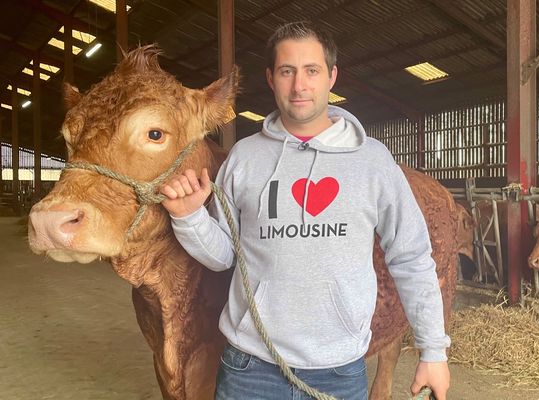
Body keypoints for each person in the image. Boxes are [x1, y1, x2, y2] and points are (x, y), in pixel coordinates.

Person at [160, 21, 450, 400]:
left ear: (331, 76)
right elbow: (223, 257)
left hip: (339, 369)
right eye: (287, 71)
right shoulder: (245, 158)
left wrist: (433, 350)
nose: (299, 86)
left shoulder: (372, 161)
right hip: (250, 368)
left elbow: (411, 256)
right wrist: (189, 216)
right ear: (270, 78)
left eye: (311, 71)